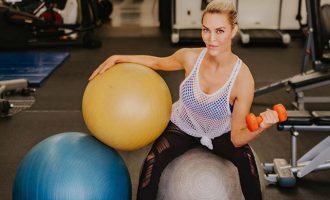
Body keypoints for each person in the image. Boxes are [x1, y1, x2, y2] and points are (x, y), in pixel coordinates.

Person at [89, 0, 279, 199]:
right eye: (206, 30)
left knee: (248, 165)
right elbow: (156, 62)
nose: (211, 38)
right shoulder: (190, 57)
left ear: (233, 31)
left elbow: (237, 138)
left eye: (220, 31)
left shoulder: (242, 79)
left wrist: (261, 125)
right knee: (151, 162)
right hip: (184, 124)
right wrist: (118, 57)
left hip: (221, 130)